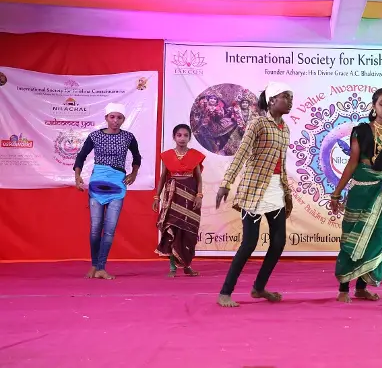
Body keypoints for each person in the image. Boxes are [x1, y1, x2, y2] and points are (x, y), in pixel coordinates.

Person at [215, 82, 294, 308]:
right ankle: (225, 292)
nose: (290, 101)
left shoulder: (285, 128)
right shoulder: (257, 123)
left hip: (276, 189)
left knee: (278, 243)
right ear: (272, 100)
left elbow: (281, 163)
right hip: (254, 189)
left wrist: (285, 189)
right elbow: (241, 153)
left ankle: (259, 287)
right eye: (285, 97)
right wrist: (226, 183)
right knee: (249, 243)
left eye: (290, 97)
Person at [329, 87, 382, 303]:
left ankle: (361, 288)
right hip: (361, 191)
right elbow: (352, 162)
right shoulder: (361, 131)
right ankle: (344, 288)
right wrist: (336, 194)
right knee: (352, 238)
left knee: (377, 237)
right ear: (374, 106)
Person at [73, 102, 142, 280]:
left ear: (123, 119)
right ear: (106, 118)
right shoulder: (95, 136)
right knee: (96, 228)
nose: (115, 120)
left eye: (119, 117)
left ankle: (101, 268)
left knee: (109, 229)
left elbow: (137, 157)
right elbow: (81, 156)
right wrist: (77, 176)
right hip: (97, 185)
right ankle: (94, 265)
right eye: (112, 117)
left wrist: (134, 173)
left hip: (117, 185)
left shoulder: (128, 137)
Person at [153, 124, 206, 277]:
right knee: (173, 230)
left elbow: (198, 178)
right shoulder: (167, 156)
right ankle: (172, 268)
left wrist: (199, 196)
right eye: (179, 135)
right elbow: (163, 177)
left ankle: (187, 265)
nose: (182, 138)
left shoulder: (195, 155)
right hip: (172, 197)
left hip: (190, 198)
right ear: (174, 137)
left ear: (190, 138)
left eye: (185, 135)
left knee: (189, 231)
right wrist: (156, 197)